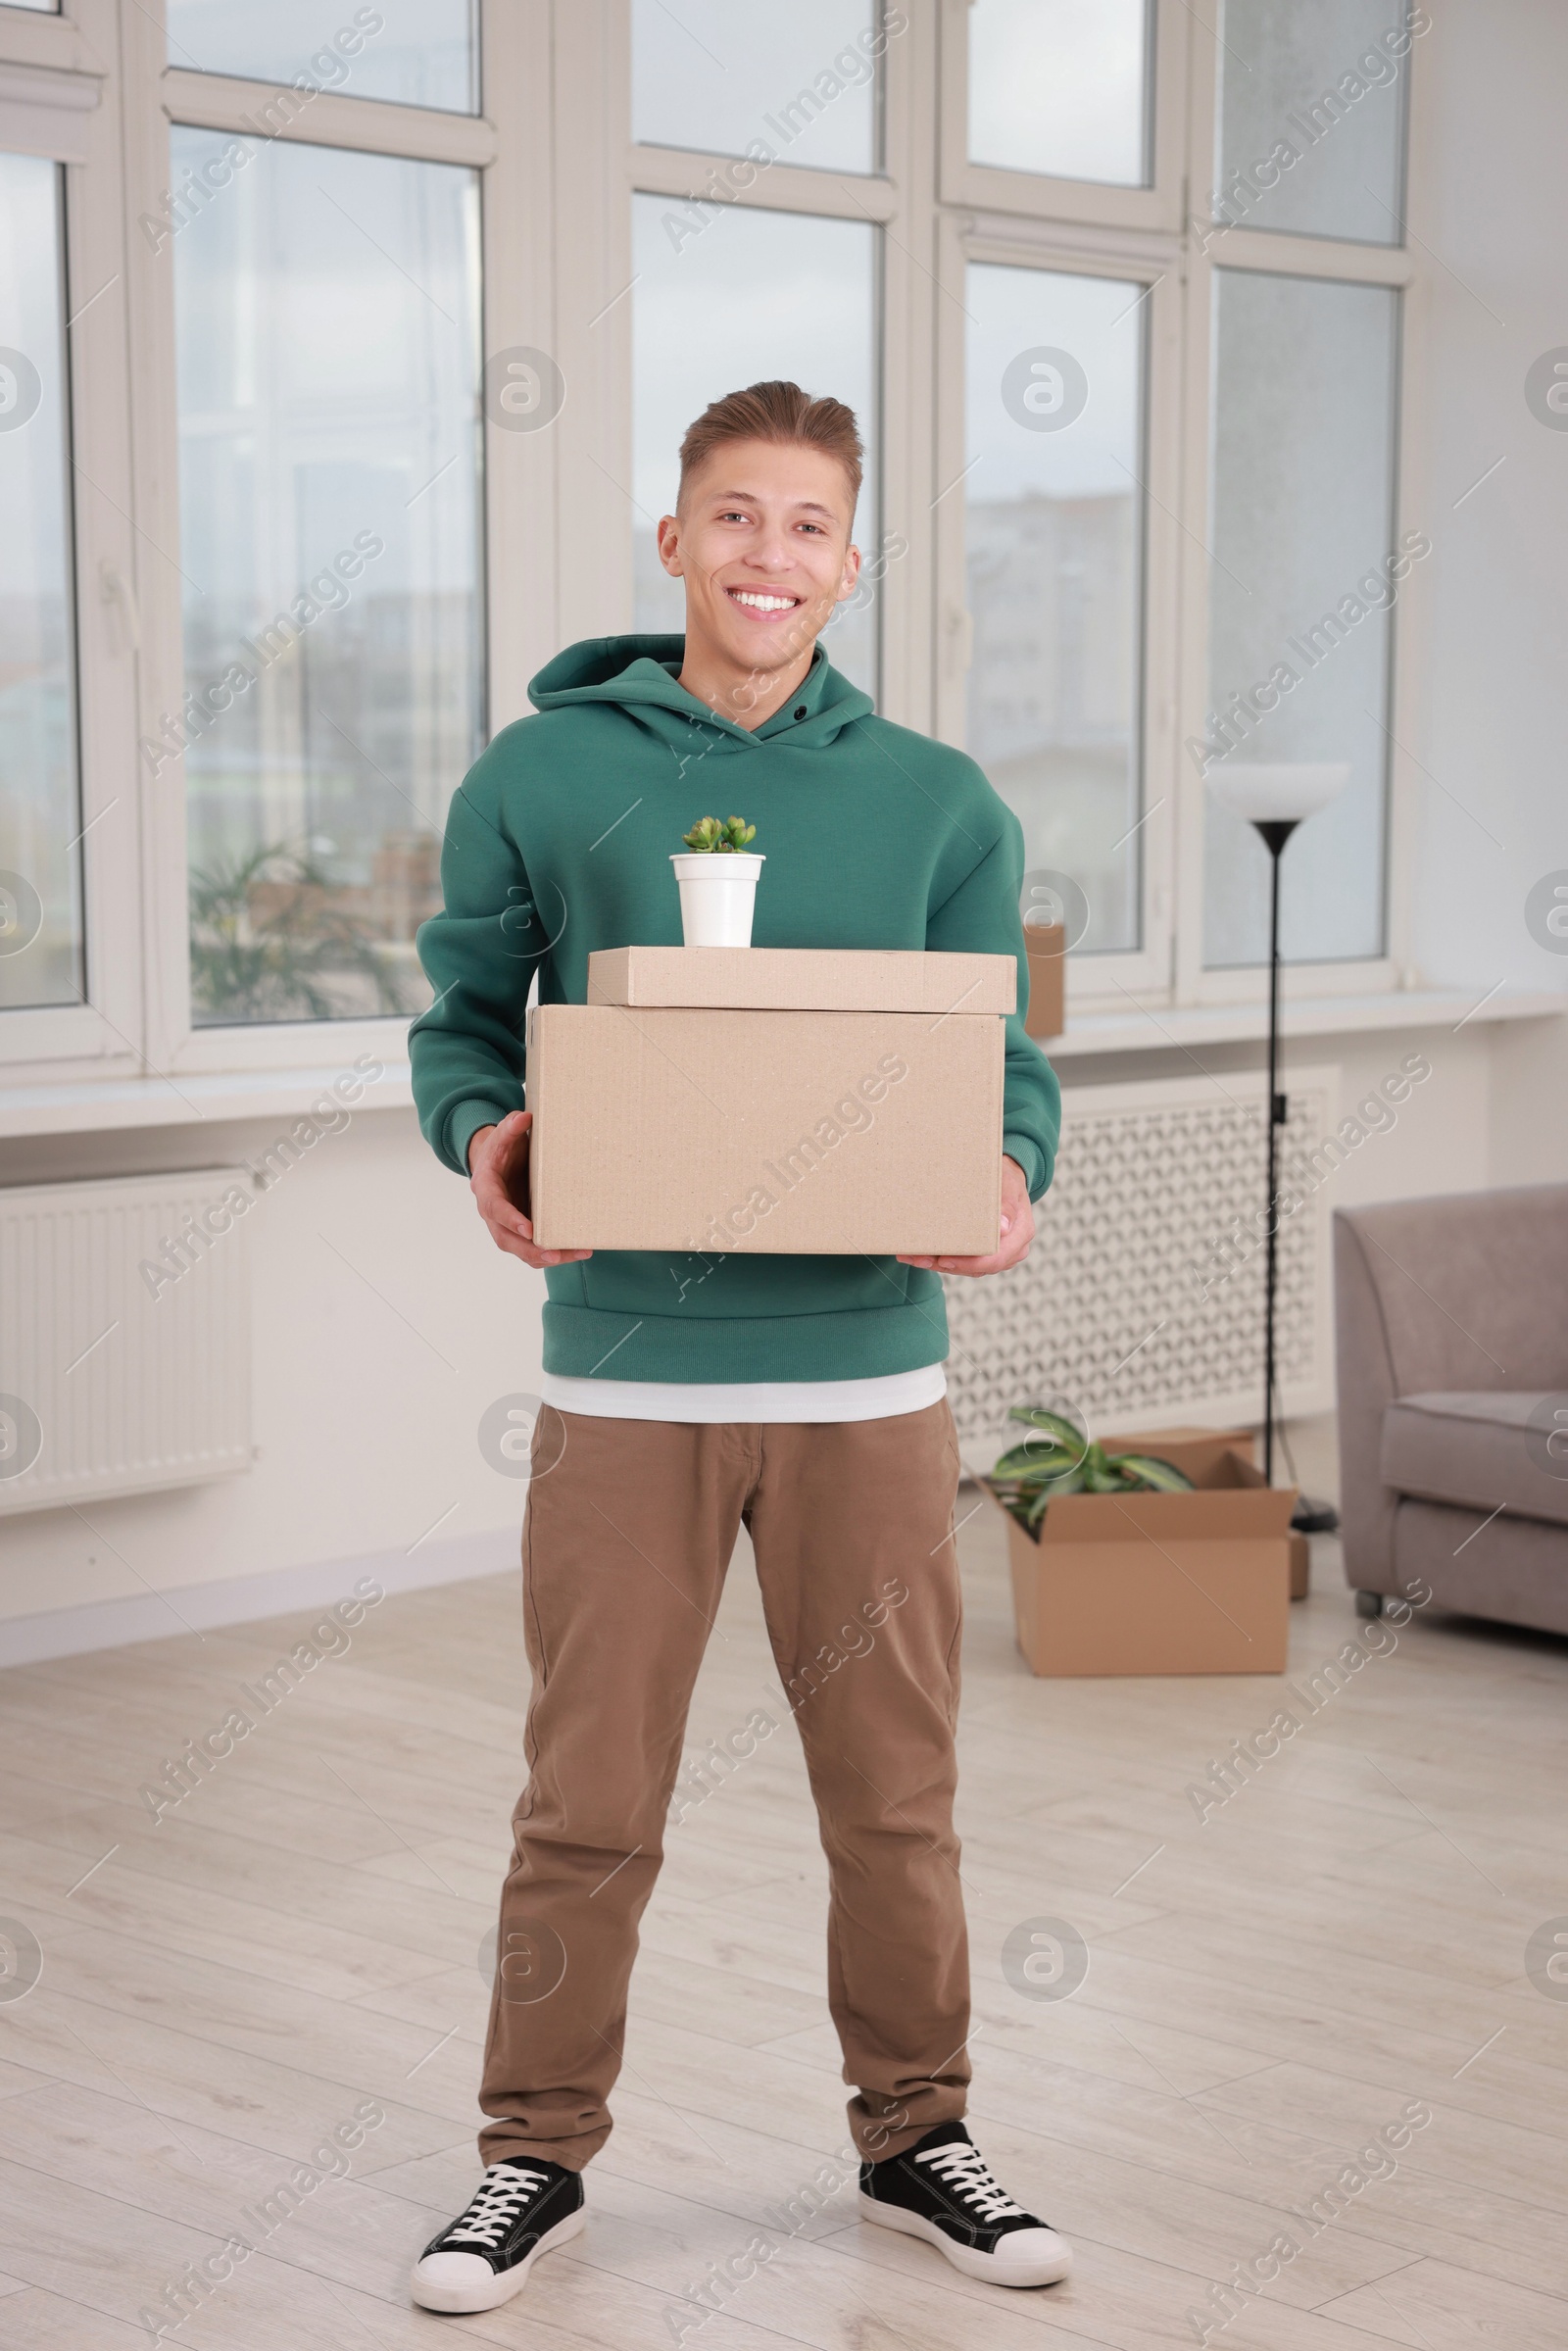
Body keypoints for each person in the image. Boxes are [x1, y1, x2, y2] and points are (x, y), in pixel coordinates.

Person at [406, 380, 1067, 2316]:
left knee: (893, 1794)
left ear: (845, 564)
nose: (765, 555)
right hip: (627, 1370)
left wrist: (1002, 1179)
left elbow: (998, 1072)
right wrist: (491, 1139)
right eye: (731, 517)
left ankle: (915, 2130)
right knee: (587, 1795)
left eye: (803, 525)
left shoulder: (939, 801)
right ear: (675, 541)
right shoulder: (539, 775)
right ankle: (530, 2154)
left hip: (867, 1367)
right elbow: (461, 1023)